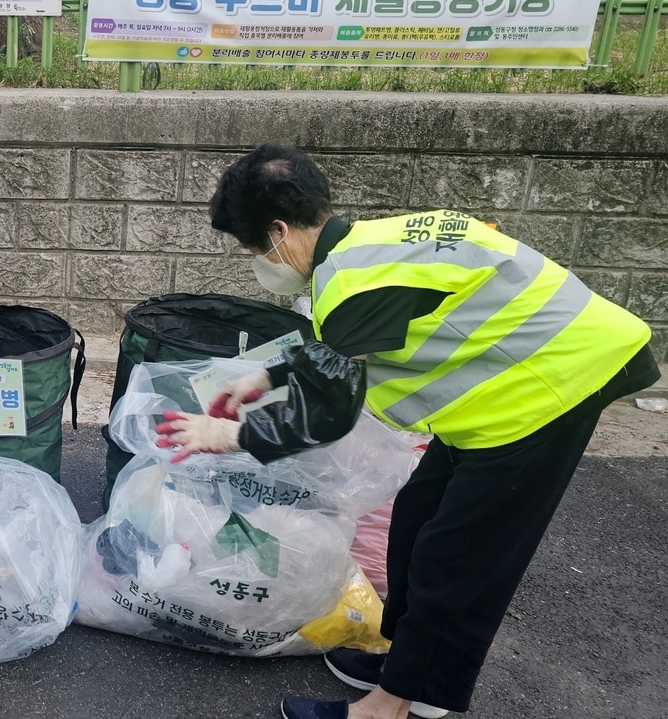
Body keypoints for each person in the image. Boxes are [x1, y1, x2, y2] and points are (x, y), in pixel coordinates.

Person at [155, 144, 658, 719]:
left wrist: (228, 437)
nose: (256, 259)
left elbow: (326, 411)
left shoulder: (353, 284)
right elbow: (345, 353)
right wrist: (264, 377)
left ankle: (392, 705)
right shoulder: (367, 248)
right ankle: (411, 663)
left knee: (460, 556)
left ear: (278, 231)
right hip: (518, 381)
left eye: (251, 246)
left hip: (554, 386)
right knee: (419, 515)